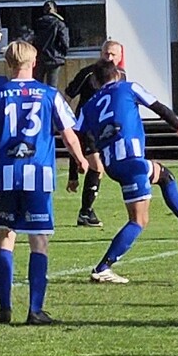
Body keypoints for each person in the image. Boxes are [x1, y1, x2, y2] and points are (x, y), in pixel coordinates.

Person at [0, 41, 89, 325]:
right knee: (38, 240)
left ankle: (4, 309)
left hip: (4, 173)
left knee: (5, 237)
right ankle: (35, 310)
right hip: (37, 174)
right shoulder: (49, 94)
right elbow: (68, 133)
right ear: (34, 61)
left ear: (8, 63)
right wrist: (80, 159)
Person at [76, 61, 178, 284]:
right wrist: (176, 123)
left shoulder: (88, 105)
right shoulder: (128, 87)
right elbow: (156, 105)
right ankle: (103, 268)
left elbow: (78, 135)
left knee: (165, 176)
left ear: (95, 81)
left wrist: (78, 167)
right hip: (131, 161)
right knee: (138, 220)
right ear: (117, 74)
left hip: (112, 164)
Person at [64, 40, 126, 227]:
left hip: (106, 129)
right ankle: (85, 211)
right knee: (97, 166)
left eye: (113, 54)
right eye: (106, 53)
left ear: (120, 57)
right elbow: (68, 95)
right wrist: (65, 119)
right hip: (87, 127)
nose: (109, 57)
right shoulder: (88, 73)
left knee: (100, 168)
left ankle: (85, 209)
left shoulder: (121, 76)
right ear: (101, 54)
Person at [32, 0, 70, 88]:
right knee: (52, 87)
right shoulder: (59, 23)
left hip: (39, 58)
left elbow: (34, 39)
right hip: (54, 58)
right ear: (55, 10)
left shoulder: (37, 23)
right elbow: (65, 42)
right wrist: (62, 53)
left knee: (38, 86)